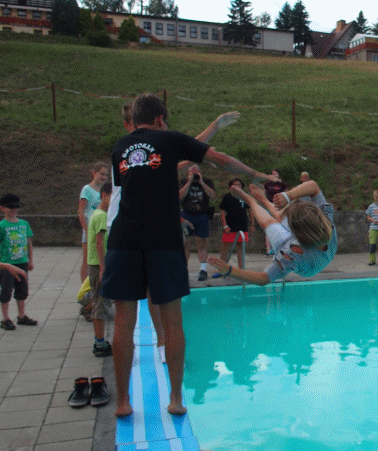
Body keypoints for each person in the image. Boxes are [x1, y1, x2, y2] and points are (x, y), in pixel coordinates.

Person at [101, 93, 272, 418]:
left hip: (124, 240)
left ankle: (123, 402)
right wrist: (257, 175)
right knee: (173, 322)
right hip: (163, 239)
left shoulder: (120, 147)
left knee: (123, 322)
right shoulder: (169, 140)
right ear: (161, 120)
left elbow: (135, 179)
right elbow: (219, 159)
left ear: (135, 119)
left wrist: (214, 126)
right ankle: (176, 399)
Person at [109, 101, 241, 364]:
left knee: (154, 294)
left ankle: (161, 343)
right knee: (128, 309)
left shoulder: (144, 150)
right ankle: (131, 353)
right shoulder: (126, 151)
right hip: (122, 230)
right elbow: (182, 152)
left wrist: (212, 133)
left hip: (137, 230)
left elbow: (180, 155)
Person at [208, 179, 336, 286]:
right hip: (316, 245)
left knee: (269, 222)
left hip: (308, 267)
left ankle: (251, 201)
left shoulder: (291, 253)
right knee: (281, 216)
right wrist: (287, 196)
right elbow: (313, 186)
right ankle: (263, 200)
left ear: (295, 233)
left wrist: (230, 270)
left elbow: (264, 278)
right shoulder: (325, 217)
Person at [0, 193, 37, 330]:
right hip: (6, 264)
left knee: (22, 290)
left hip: (22, 262)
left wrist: (30, 260)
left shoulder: (24, 224)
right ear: (2, 208)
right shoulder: (0, 226)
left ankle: (21, 315)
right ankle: (5, 318)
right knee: (6, 291)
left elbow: (29, 243)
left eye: (16, 207)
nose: (14, 210)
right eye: (10, 207)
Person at [87, 182, 114, 357]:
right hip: (98, 265)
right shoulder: (101, 216)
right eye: (113, 196)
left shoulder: (98, 214)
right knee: (100, 303)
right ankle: (99, 343)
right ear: (104, 195)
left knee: (101, 301)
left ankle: (100, 340)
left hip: (98, 264)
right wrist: (103, 267)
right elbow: (99, 242)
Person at [179, 164, 216, 281]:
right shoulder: (184, 181)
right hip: (186, 214)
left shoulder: (207, 181)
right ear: (188, 173)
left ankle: (203, 270)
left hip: (202, 215)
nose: (194, 175)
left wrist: (202, 182)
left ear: (200, 172)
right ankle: (183, 270)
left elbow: (213, 195)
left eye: (196, 173)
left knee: (202, 243)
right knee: (185, 243)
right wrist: (189, 182)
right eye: (191, 173)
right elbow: (179, 196)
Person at [78, 162, 110, 283]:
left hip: (100, 226)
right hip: (90, 227)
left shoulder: (105, 190)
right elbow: (81, 211)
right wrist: (86, 230)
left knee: (98, 257)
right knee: (87, 260)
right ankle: (85, 288)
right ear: (94, 173)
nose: (103, 177)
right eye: (101, 174)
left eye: (106, 175)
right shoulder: (87, 189)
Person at [216, 177, 251, 274]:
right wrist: (225, 226)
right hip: (230, 226)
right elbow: (222, 211)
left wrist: (252, 224)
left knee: (240, 248)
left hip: (242, 226)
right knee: (225, 248)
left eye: (239, 184)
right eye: (235, 184)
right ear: (231, 186)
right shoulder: (227, 196)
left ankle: (241, 270)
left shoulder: (244, 197)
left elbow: (250, 209)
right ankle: (221, 269)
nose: (237, 186)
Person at [262, 169, 287, 256]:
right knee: (268, 226)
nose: (274, 175)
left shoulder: (282, 184)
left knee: (280, 227)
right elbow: (263, 194)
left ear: (279, 175)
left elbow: (286, 195)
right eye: (272, 174)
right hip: (269, 206)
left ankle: (279, 248)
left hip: (279, 207)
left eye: (276, 174)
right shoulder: (267, 184)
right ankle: (268, 250)